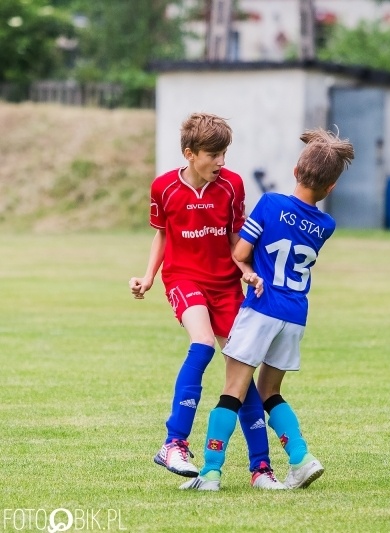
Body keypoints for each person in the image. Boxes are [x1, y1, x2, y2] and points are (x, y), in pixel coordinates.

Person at [180, 127, 355, 491]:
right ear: (331, 188)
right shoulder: (327, 225)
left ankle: (210, 473)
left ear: (295, 171)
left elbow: (240, 254)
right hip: (294, 316)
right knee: (270, 393)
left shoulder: (271, 204)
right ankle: (301, 459)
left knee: (233, 391)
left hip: (261, 309)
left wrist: (247, 271)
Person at [129, 112, 281, 490]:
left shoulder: (232, 186)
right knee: (202, 345)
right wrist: (148, 277)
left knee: (241, 371)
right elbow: (162, 236)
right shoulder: (163, 188)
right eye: (213, 154)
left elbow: (234, 239)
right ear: (190, 153)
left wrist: (245, 269)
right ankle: (173, 444)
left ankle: (261, 469)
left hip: (227, 285)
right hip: (184, 278)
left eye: (224, 153)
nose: (221, 162)